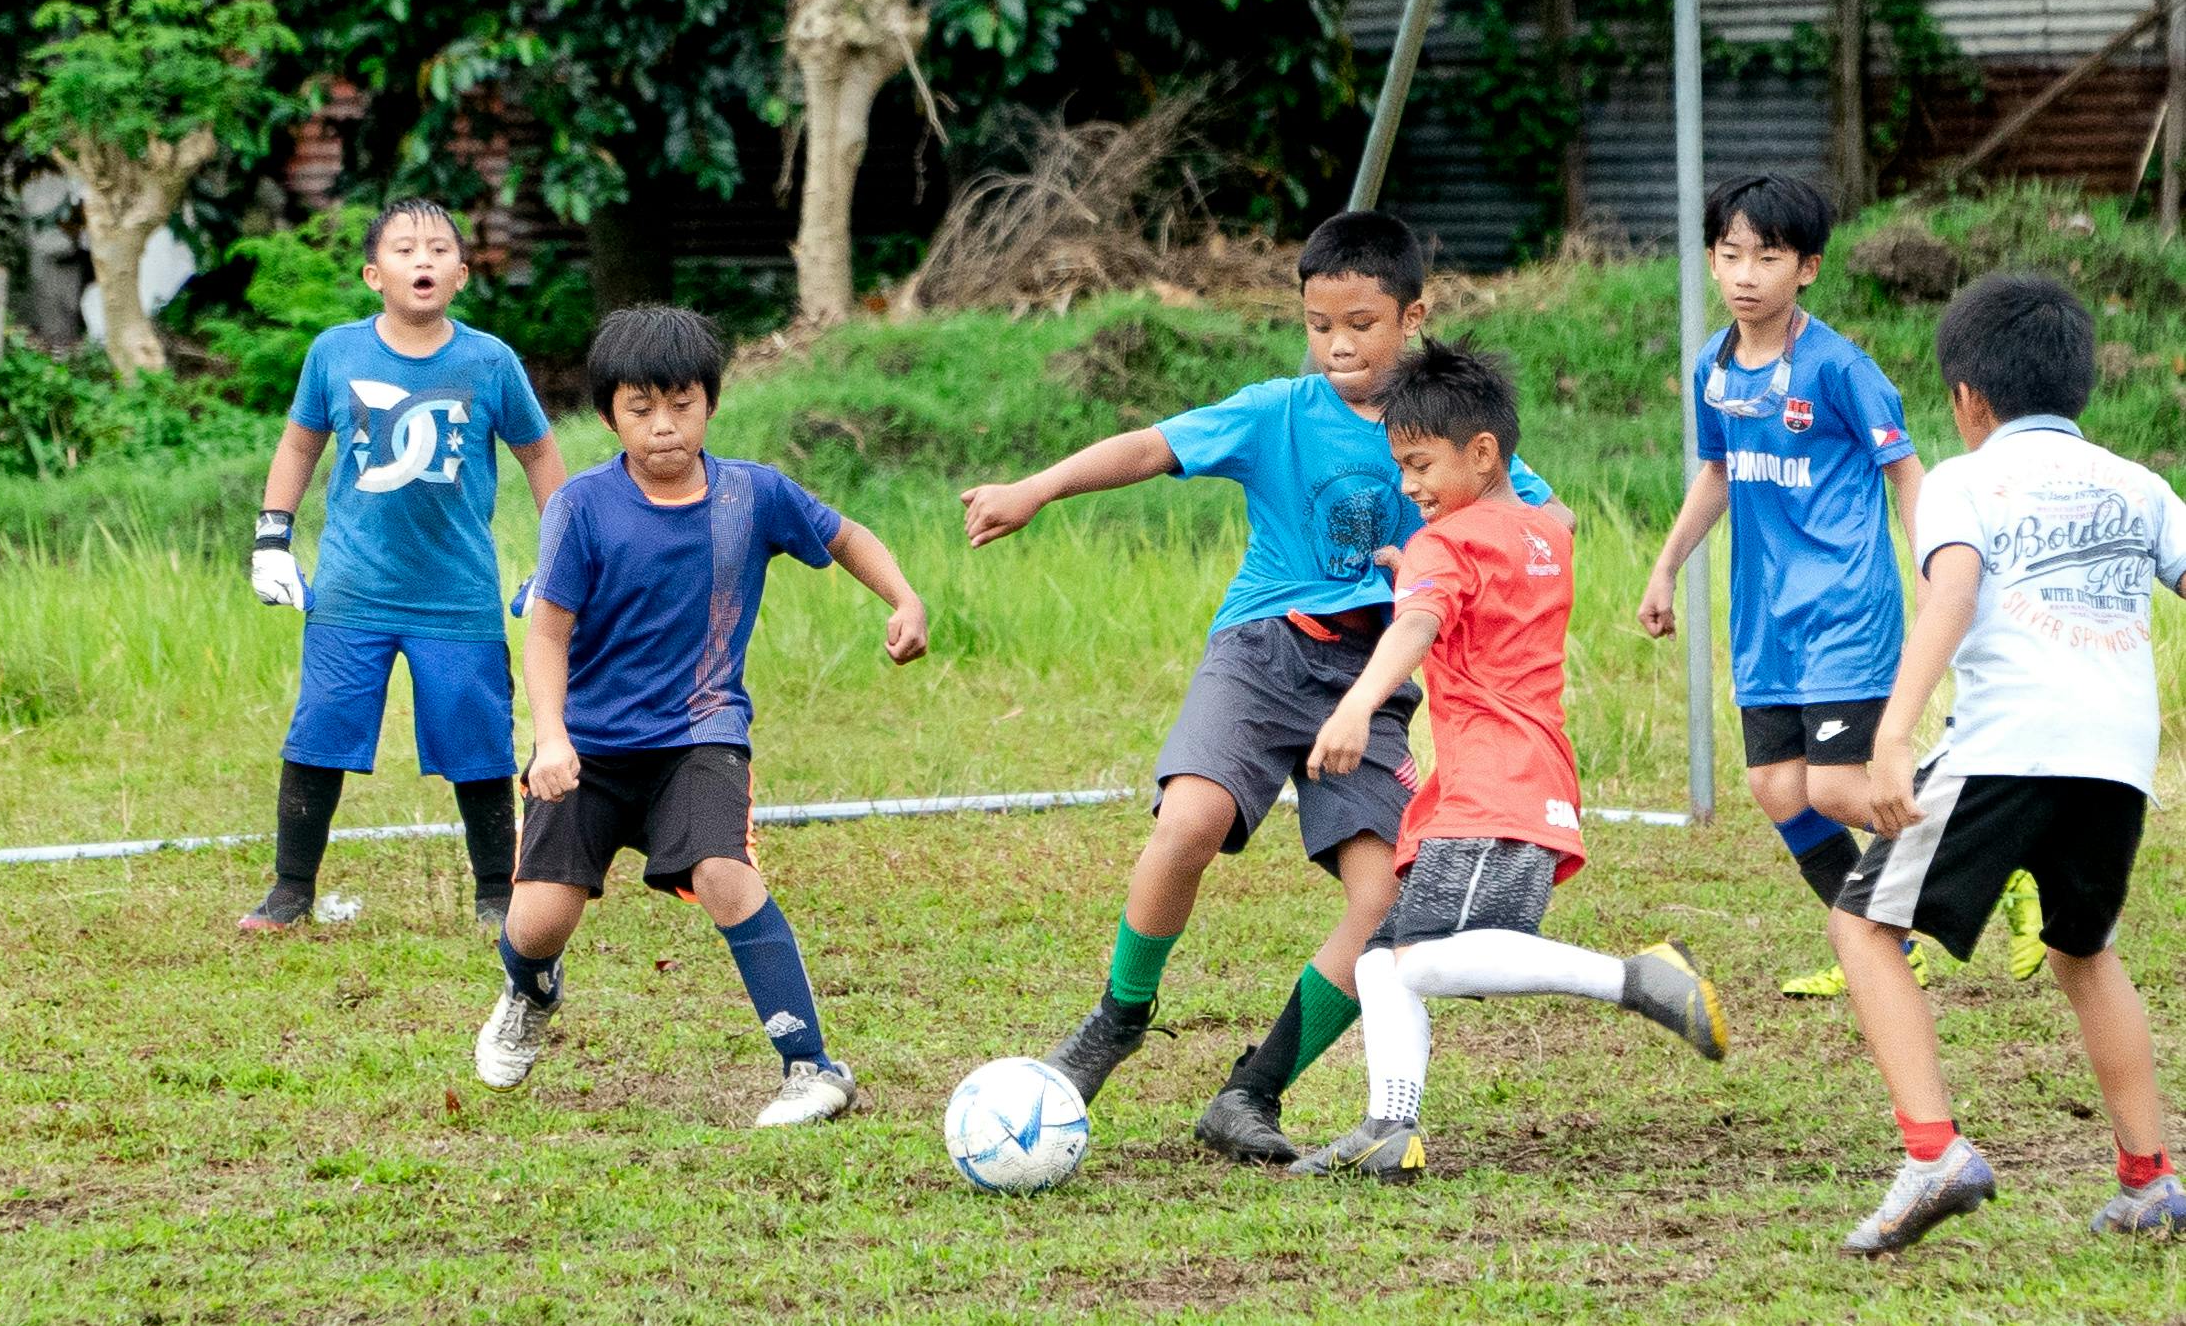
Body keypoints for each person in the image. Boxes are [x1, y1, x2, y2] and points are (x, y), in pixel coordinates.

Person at [962, 211, 1576, 1166]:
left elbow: (1547, 516)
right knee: (1190, 820)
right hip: (1263, 651)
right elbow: (1150, 446)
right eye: (1319, 324)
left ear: (1413, 316)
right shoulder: (1276, 412)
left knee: (1384, 901)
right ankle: (1117, 1018)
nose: (1338, 346)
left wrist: (1447, 555)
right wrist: (1035, 488)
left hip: (1372, 676)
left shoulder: (1446, 433)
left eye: (1361, 324)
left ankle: (1252, 1090)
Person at [474, 306, 929, 1127]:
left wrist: (903, 597)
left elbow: (846, 534)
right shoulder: (579, 507)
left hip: (699, 734)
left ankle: (812, 1066)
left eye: (681, 404)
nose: (664, 426)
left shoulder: (753, 494)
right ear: (609, 414)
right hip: (586, 747)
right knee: (538, 922)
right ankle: (530, 988)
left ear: (710, 403)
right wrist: (551, 737)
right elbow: (546, 633)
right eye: (641, 408)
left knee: (725, 872)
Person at [1288, 337, 1727, 1185]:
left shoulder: (1443, 548)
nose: (1408, 486)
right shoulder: (1540, 532)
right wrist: (1417, 567)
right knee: (1381, 960)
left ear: (1483, 452)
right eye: (1401, 466)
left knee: (1425, 959)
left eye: (1419, 464)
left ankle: (1636, 978)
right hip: (1524, 782)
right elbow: (1533, 540)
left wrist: (1357, 702)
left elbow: (1422, 622)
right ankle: (1390, 1126)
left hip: (1494, 788)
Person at [1830, 274, 2186, 1253]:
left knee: (1862, 923)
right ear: (2080, 385)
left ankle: (1932, 1152)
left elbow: (1950, 594)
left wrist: (1893, 734)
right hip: (2116, 757)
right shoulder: (2139, 483)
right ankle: (2149, 1179)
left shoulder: (1961, 478)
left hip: (2007, 744)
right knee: (2083, 947)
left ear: (1968, 399)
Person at [1636, 173, 2041, 997]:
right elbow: (1718, 470)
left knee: (1832, 783)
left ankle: (2004, 852)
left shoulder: (1840, 367)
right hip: (1763, 617)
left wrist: (1932, 569)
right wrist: (1666, 565)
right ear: (1711, 260)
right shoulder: (1713, 366)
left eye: (1768, 257)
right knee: (1776, 787)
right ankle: (1891, 942)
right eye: (1731, 255)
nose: (1746, 274)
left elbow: (1905, 469)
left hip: (1844, 608)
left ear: (1808, 267)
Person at [241, 199, 566, 934]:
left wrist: (558, 556)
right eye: (404, 249)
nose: (423, 260)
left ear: (461, 274)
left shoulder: (490, 361)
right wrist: (272, 539)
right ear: (373, 274)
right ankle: (290, 892)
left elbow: (541, 454)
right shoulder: (335, 352)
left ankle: (497, 894)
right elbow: (298, 446)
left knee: (479, 743)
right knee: (320, 732)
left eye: (439, 250)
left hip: (458, 596)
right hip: (351, 591)